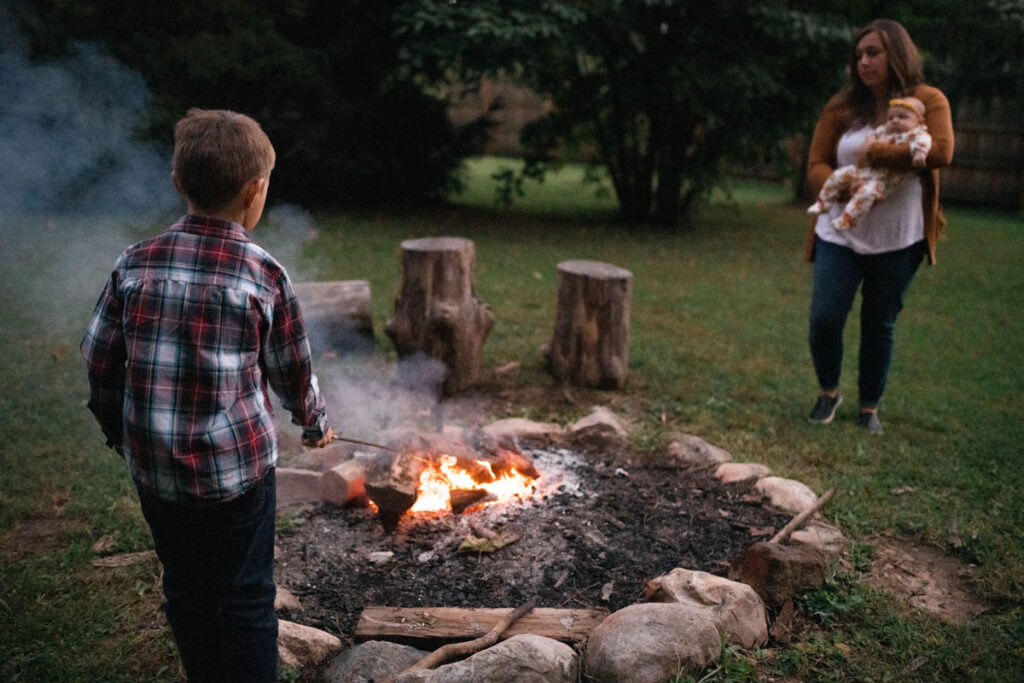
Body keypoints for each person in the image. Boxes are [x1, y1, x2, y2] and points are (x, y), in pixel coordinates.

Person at [81, 108, 334, 681]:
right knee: (245, 597)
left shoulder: (133, 263)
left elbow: (99, 360)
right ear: (256, 190)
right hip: (237, 476)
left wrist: (118, 431)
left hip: (157, 472)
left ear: (177, 183)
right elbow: (292, 370)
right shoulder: (263, 273)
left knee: (186, 588)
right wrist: (314, 422)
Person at [803, 19, 954, 435]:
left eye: (874, 53)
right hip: (840, 228)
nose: (864, 62)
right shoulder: (842, 106)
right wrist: (843, 183)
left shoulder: (927, 100)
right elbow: (816, 163)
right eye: (859, 55)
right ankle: (828, 392)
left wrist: (875, 156)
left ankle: (869, 406)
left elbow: (940, 151)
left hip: (899, 235)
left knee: (879, 321)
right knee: (825, 318)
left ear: (898, 54)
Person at [808, 96, 932, 231]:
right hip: (866, 172)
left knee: (866, 194)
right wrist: (867, 147)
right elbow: (867, 144)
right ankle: (824, 202)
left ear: (919, 122)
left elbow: (923, 143)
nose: (895, 121)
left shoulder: (915, 134)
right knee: (839, 175)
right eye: (890, 118)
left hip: (884, 183)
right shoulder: (884, 131)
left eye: (902, 117)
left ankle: (848, 219)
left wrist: (920, 154)